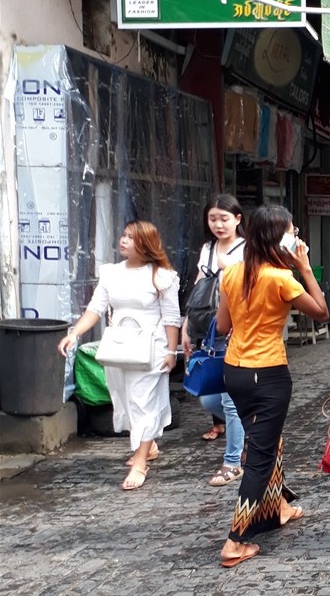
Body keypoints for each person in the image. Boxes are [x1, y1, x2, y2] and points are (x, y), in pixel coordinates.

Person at [216, 205, 328, 568]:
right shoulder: (282, 278)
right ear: (278, 237)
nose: (297, 237)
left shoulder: (231, 274)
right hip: (268, 374)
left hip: (234, 370)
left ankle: (277, 506)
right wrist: (306, 268)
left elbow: (221, 326)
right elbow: (322, 312)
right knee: (261, 455)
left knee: (267, 439)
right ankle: (235, 540)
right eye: (293, 231)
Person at [58, 221, 181, 491]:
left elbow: (171, 318)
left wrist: (172, 351)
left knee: (143, 400)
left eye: (131, 238)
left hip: (152, 346)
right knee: (124, 398)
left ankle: (140, 462)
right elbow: (96, 308)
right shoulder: (111, 273)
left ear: (146, 244)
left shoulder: (162, 276)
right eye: (123, 235)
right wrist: (74, 334)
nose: (123, 240)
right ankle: (148, 445)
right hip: (119, 345)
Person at [182, 194, 247, 485]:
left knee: (230, 400)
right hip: (210, 331)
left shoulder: (246, 249)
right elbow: (199, 288)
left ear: (238, 219)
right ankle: (252, 431)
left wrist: (227, 267)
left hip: (237, 331)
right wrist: (187, 325)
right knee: (209, 398)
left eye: (224, 218)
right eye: (212, 218)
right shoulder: (207, 249)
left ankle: (232, 461)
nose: (218, 224)